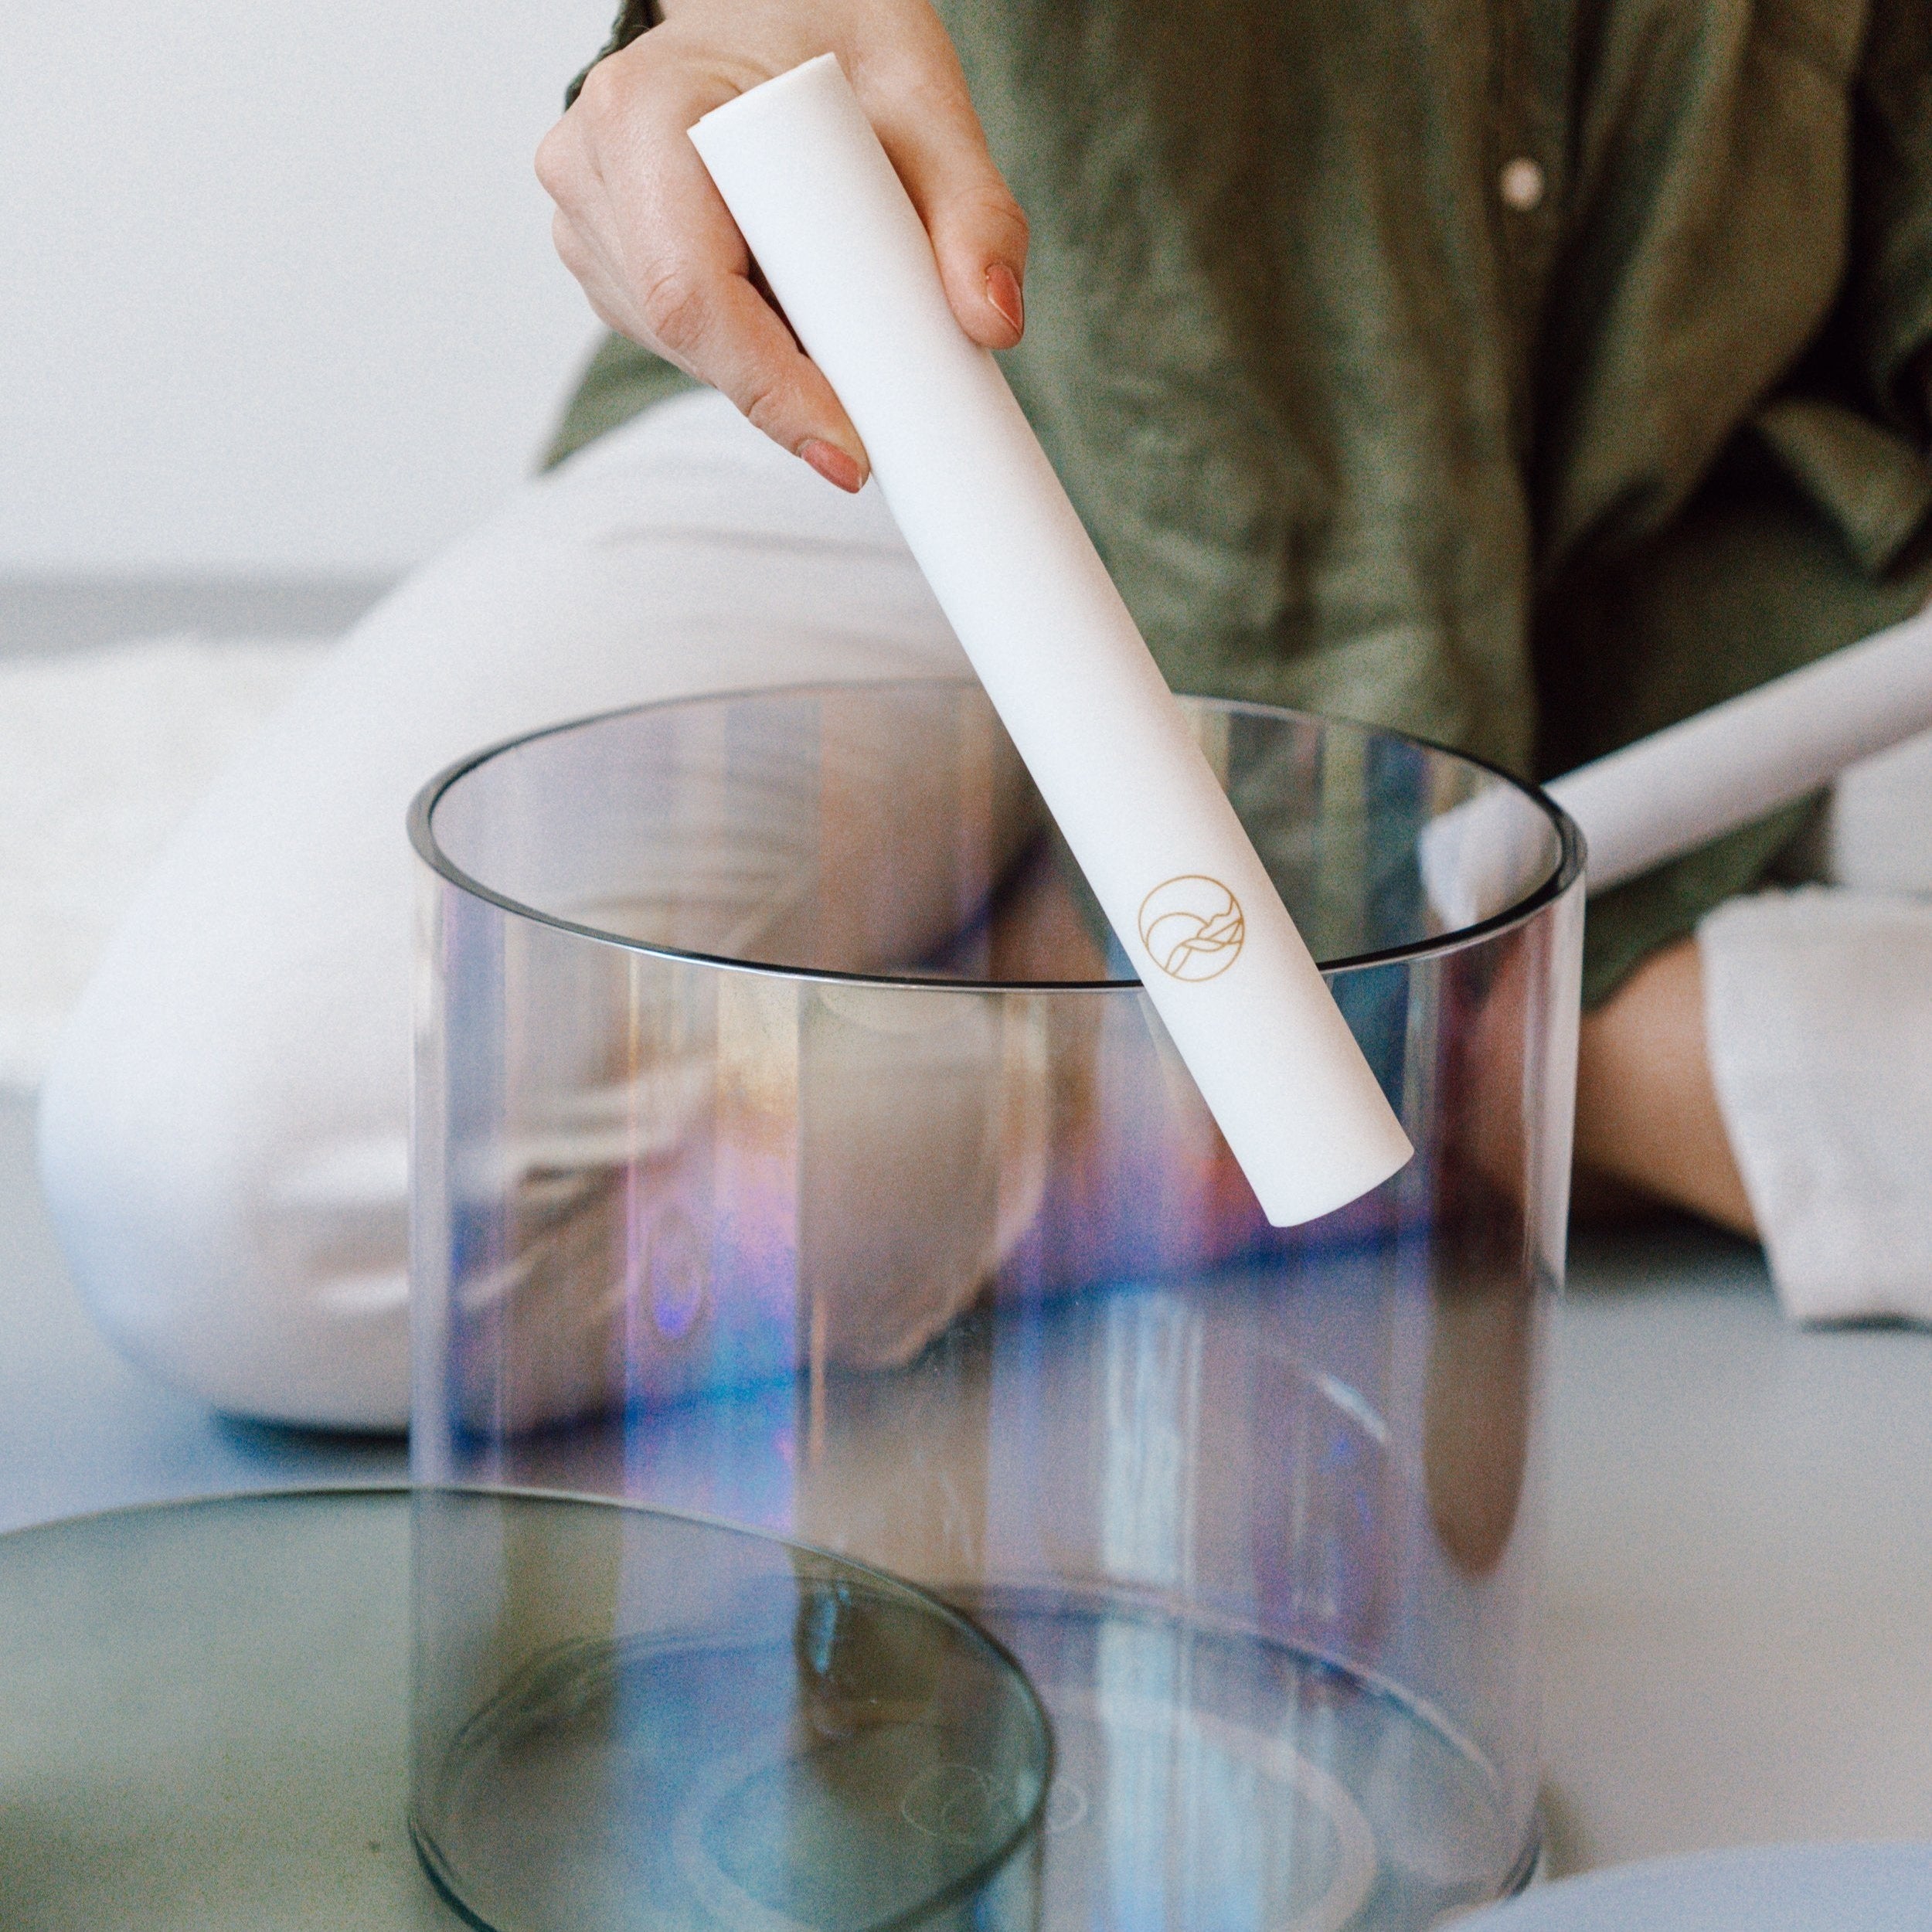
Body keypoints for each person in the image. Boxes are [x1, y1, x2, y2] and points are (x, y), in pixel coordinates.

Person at [38, 0, 1932, 1430]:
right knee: (237, 1177)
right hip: (926, 425)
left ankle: (1381, 1044)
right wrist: (720, 51)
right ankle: (1414, 1051)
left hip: (1683, 541)